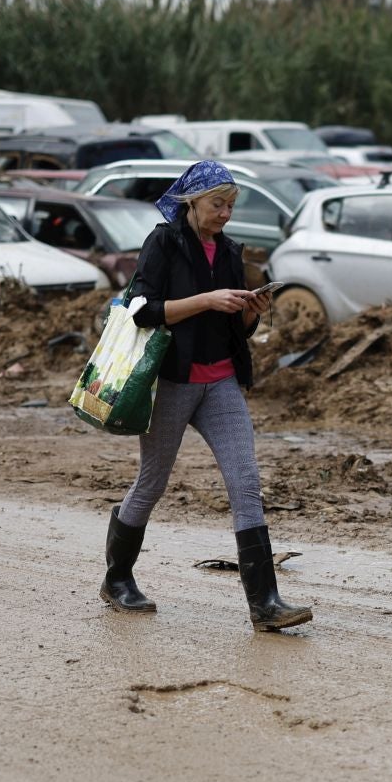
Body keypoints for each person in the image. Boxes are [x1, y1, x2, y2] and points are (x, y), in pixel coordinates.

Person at [100, 160, 312, 632]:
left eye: (232, 206)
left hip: (220, 382)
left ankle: (266, 604)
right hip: (174, 381)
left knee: (246, 482)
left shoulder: (231, 251)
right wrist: (207, 300)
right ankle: (117, 580)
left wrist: (250, 312)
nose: (225, 214)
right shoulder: (163, 241)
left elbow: (234, 329)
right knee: (152, 483)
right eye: (218, 204)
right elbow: (141, 312)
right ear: (191, 201)